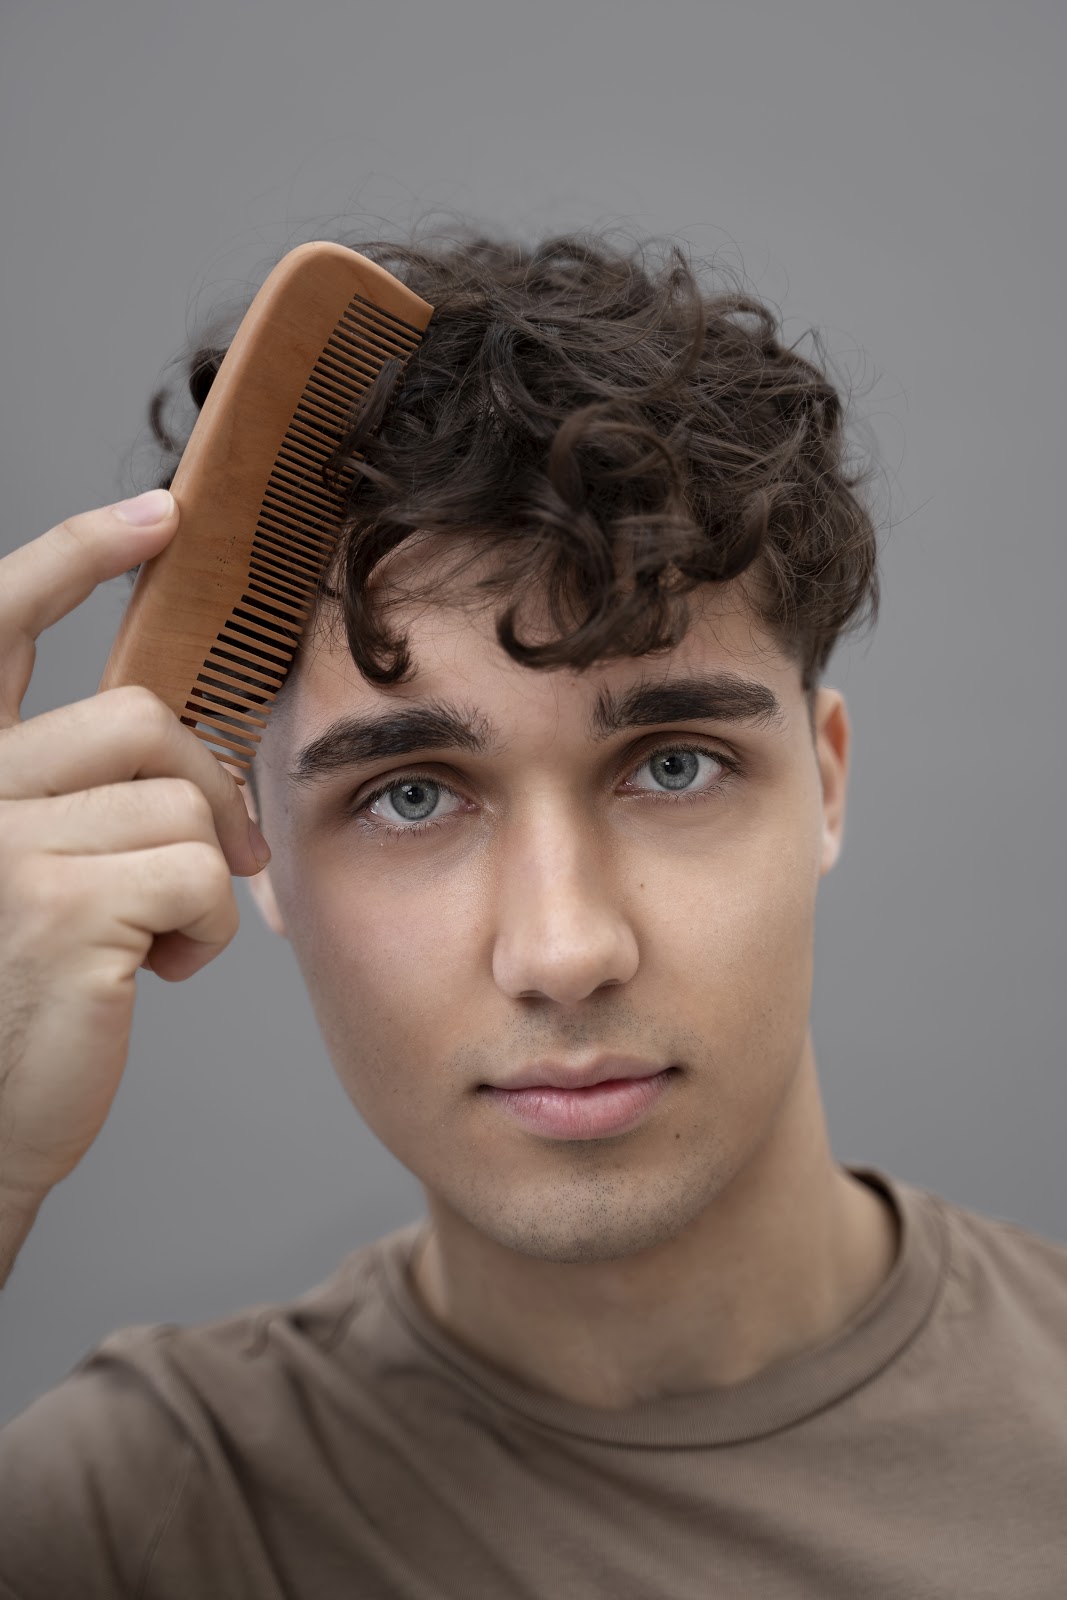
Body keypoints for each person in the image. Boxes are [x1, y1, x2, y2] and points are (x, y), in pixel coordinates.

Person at [0, 227, 1063, 1598]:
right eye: (412, 797)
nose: (565, 951)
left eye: (673, 766)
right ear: (243, 849)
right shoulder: (136, 1518)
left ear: (829, 788)